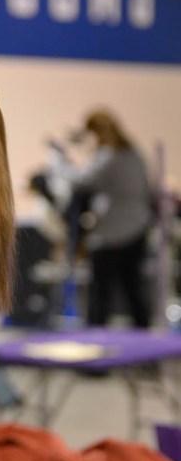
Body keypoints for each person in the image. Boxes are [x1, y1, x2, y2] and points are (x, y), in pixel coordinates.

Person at [47, 109, 153, 328]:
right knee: (134, 293)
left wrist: (57, 160)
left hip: (111, 235)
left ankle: (96, 344)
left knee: (100, 297)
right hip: (136, 230)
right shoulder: (133, 154)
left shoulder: (109, 155)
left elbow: (82, 180)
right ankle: (146, 352)